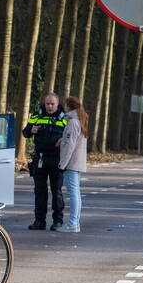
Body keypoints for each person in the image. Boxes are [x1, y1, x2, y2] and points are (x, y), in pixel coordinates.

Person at [22, 92, 67, 230]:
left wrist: (63, 140)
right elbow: (25, 133)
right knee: (39, 191)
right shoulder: (36, 115)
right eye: (47, 103)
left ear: (57, 104)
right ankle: (39, 221)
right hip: (40, 158)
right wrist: (32, 129)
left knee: (56, 191)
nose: (50, 106)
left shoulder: (64, 117)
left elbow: (72, 136)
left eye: (52, 104)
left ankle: (57, 221)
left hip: (56, 158)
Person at [56, 96, 88, 233]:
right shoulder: (80, 121)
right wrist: (62, 139)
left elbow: (70, 146)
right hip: (78, 162)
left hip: (72, 163)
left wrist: (62, 164)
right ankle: (75, 222)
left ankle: (72, 223)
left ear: (69, 106)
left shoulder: (72, 122)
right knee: (76, 193)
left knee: (73, 193)